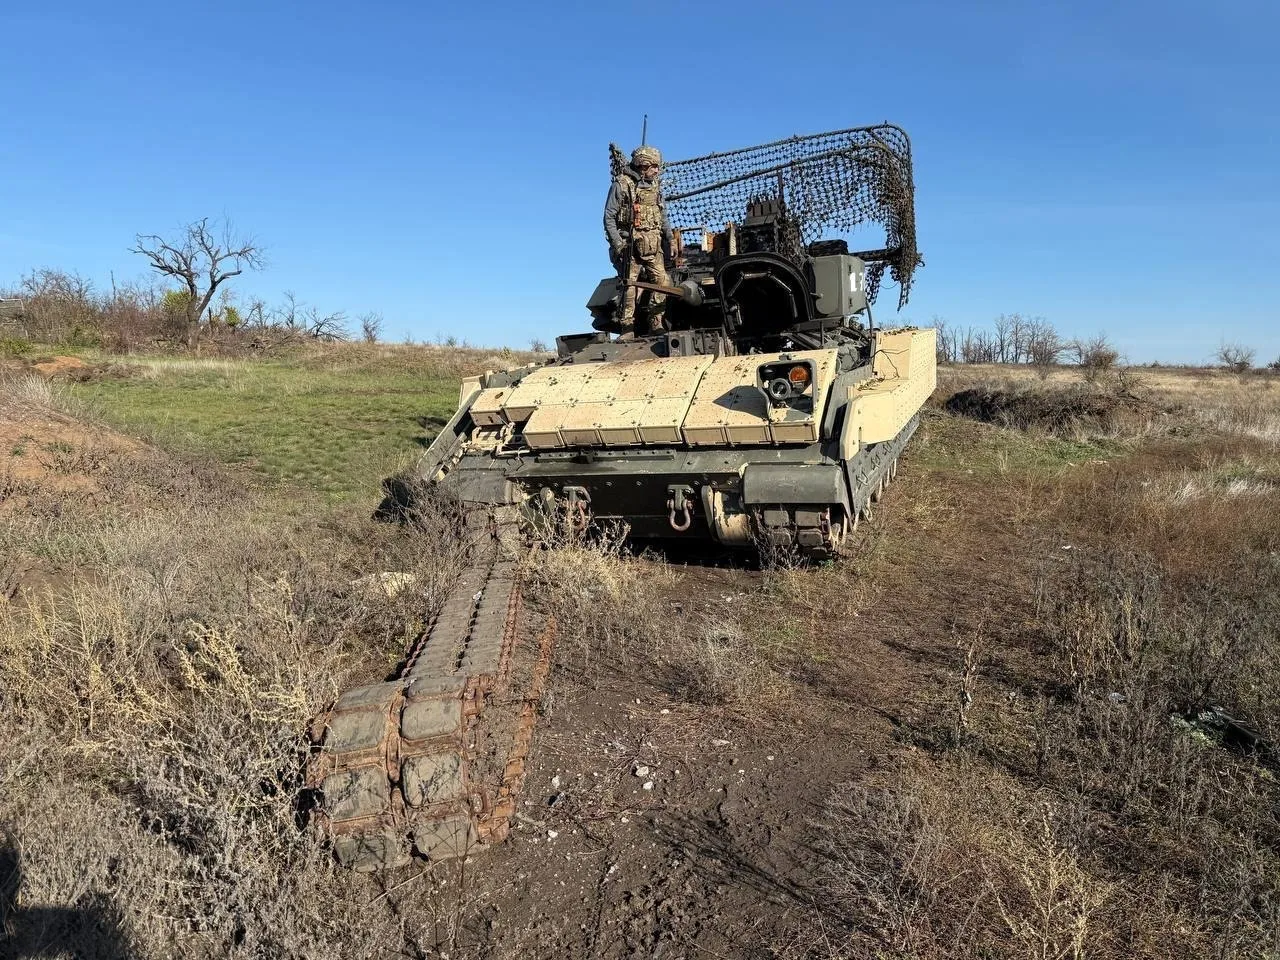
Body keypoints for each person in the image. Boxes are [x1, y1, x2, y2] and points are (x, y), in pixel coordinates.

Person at [603, 145, 677, 338]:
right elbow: (609, 217)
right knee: (629, 286)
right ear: (643, 166)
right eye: (654, 167)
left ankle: (656, 321)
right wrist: (618, 245)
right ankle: (627, 327)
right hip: (630, 247)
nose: (657, 171)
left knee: (663, 282)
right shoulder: (622, 185)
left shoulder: (655, 186)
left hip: (653, 246)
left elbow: (662, 216)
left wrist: (670, 238)